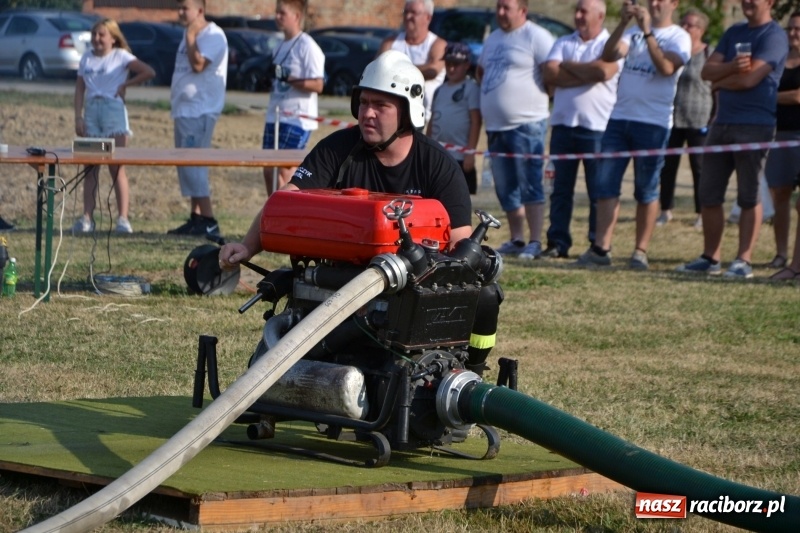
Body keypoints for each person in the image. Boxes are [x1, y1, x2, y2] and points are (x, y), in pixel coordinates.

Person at [220, 50, 501, 377]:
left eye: (380, 106)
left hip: (410, 288)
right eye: (364, 103)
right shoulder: (337, 149)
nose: (368, 113)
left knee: (484, 294)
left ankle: (472, 371)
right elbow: (285, 201)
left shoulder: (439, 167)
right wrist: (247, 247)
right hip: (336, 279)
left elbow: (460, 250)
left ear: (408, 111)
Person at [574, 0, 690, 270]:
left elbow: (667, 68)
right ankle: (601, 249)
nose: (654, 3)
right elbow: (610, 54)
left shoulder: (679, 36)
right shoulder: (632, 32)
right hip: (619, 118)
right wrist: (625, 23)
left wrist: (648, 32)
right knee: (606, 185)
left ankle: (640, 251)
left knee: (646, 189)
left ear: (674, 4)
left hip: (653, 123)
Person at [676, 0, 787, 278]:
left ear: (770, 2)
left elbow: (750, 80)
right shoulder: (733, 32)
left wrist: (722, 79)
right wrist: (733, 70)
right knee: (709, 193)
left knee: (748, 195)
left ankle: (743, 261)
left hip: (755, 125)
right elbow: (706, 72)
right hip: (721, 123)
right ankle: (710, 257)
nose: (747, 2)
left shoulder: (774, 36)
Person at [541, 0, 620, 259]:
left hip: (597, 128)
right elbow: (550, 73)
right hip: (563, 126)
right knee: (561, 190)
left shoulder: (610, 45)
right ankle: (557, 242)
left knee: (599, 191)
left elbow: (603, 71)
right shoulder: (564, 41)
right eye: (577, 10)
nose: (577, 16)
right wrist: (586, 72)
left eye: (583, 11)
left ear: (600, 15)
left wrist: (569, 66)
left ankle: (597, 244)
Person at [476, 0, 555, 260]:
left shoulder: (537, 36)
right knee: (505, 186)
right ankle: (517, 238)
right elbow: (481, 71)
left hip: (527, 123)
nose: (500, 12)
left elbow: (551, 74)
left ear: (522, 10)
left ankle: (534, 240)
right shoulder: (494, 38)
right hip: (496, 126)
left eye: (506, 7)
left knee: (530, 183)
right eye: (498, 7)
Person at [72, 18, 155, 234]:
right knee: (90, 167)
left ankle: (123, 219)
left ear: (112, 38)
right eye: (94, 35)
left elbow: (148, 71)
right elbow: (80, 89)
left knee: (116, 166)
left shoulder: (121, 56)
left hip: (113, 111)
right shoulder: (86, 58)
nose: (97, 39)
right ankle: (87, 218)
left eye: (101, 35)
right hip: (92, 111)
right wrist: (78, 117)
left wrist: (125, 85)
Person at [168, 0, 228, 237]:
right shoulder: (189, 33)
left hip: (200, 110)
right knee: (186, 166)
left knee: (195, 166)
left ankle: (210, 220)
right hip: (184, 109)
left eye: (185, 8)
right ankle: (197, 218)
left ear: (200, 11)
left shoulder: (213, 34)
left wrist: (192, 36)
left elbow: (198, 64)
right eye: (179, 7)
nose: (180, 12)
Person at [656, 8, 713, 230]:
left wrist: (713, 118)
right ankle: (665, 209)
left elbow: (715, 89)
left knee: (699, 168)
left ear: (701, 29)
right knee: (667, 166)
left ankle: (701, 212)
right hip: (672, 117)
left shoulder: (710, 54)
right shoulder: (675, 50)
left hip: (699, 118)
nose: (686, 28)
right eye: (684, 24)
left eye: (691, 25)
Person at [263, 0, 325, 195]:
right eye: (277, 12)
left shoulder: (307, 46)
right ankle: (273, 215)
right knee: (268, 169)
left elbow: (318, 84)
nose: (277, 17)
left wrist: (290, 78)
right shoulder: (279, 46)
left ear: (296, 17)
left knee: (285, 171)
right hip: (276, 116)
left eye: (282, 13)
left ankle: (286, 217)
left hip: (298, 118)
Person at [765, 12, 800, 274]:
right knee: (779, 195)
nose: (793, 33)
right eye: (790, 28)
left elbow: (798, 97)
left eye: (798, 29)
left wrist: (770, 97)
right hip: (778, 135)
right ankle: (780, 254)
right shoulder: (779, 60)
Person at [426, 42, 481, 194]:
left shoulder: (471, 88)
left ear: (466, 65)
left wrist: (470, 152)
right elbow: (432, 119)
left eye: (456, 64)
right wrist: (427, 146)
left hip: (460, 154)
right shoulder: (439, 90)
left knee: (460, 194)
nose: (451, 68)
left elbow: (476, 121)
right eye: (448, 64)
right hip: (439, 153)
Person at [379, 0, 446, 124]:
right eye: (406, 12)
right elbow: (377, 69)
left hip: (425, 118)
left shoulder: (437, 44)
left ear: (428, 17)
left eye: (413, 12)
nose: (408, 16)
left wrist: (394, 71)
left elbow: (433, 70)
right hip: (393, 118)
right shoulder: (390, 42)